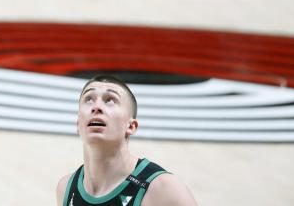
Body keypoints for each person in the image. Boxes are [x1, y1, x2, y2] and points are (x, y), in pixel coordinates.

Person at [56, 75, 199, 206]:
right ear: (77, 125)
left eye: (110, 100)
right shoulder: (65, 188)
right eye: (89, 99)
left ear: (131, 126)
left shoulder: (163, 189)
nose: (96, 107)